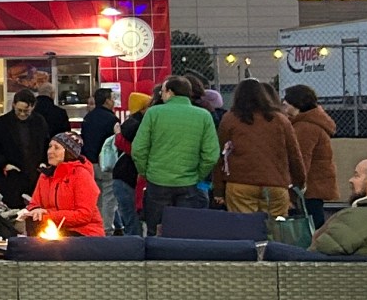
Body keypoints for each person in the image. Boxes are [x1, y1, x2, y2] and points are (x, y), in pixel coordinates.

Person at [131, 76, 220, 232]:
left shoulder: (153, 113)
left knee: (156, 230)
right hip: (188, 182)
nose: (162, 95)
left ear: (170, 92)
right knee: (184, 231)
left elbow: (138, 149)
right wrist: (198, 175)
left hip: (157, 180)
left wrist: (146, 171)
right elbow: (211, 155)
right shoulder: (204, 116)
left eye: (163, 92)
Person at [217, 80, 307, 220]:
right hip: (275, 184)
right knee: (275, 231)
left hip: (240, 183)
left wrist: (219, 190)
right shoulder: (280, 120)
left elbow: (220, 156)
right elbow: (294, 155)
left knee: (244, 229)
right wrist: (297, 186)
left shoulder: (229, 119)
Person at [25, 132, 104, 237]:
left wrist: (47, 216)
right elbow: (34, 204)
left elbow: (84, 215)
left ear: (69, 152)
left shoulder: (81, 175)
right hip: (53, 230)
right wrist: (35, 211)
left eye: (56, 148)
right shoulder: (45, 176)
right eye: (49, 147)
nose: (50, 151)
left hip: (83, 233)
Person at [285, 84, 340, 229]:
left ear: (296, 104)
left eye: (287, 102)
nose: (284, 105)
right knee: (316, 220)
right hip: (317, 185)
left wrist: (292, 190)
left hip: (308, 188)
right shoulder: (314, 123)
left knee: (309, 226)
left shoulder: (305, 127)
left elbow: (300, 160)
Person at [0, 92, 51, 204]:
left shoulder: (39, 121)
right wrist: (4, 164)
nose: (22, 114)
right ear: (13, 105)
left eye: (26, 111)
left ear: (33, 107)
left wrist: (44, 161)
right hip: (12, 175)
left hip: (35, 173)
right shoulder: (1, 123)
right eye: (19, 110)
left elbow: (46, 144)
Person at [102, 94, 147, 236]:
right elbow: (136, 152)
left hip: (122, 176)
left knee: (128, 217)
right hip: (130, 177)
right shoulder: (139, 126)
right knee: (133, 219)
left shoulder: (127, 124)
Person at [80, 87, 119, 164]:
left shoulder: (88, 117)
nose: (113, 102)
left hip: (88, 160)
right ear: (107, 101)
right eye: (112, 99)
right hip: (105, 161)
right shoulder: (112, 119)